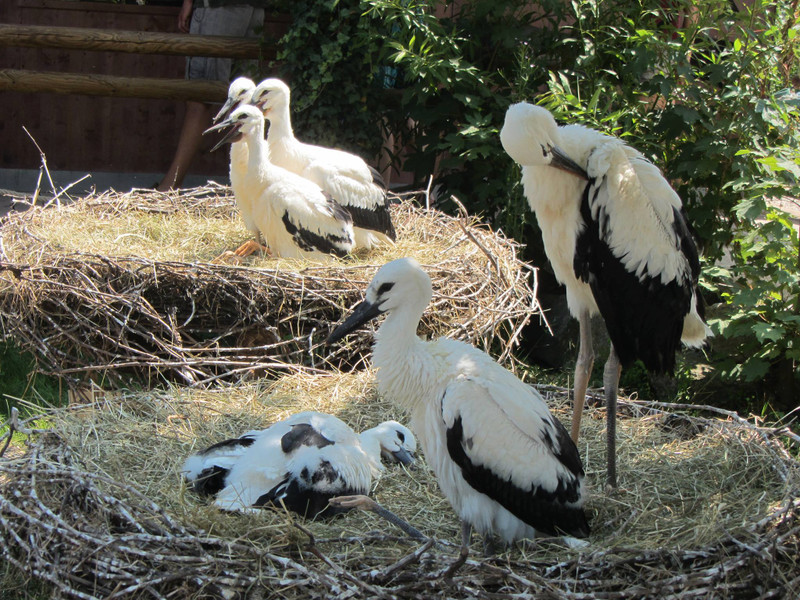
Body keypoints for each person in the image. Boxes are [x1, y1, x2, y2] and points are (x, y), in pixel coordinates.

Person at [157, 0, 265, 192]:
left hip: (217, 8)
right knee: (245, 101)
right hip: (254, 8)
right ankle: (248, 190)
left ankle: (170, 186)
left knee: (200, 95)